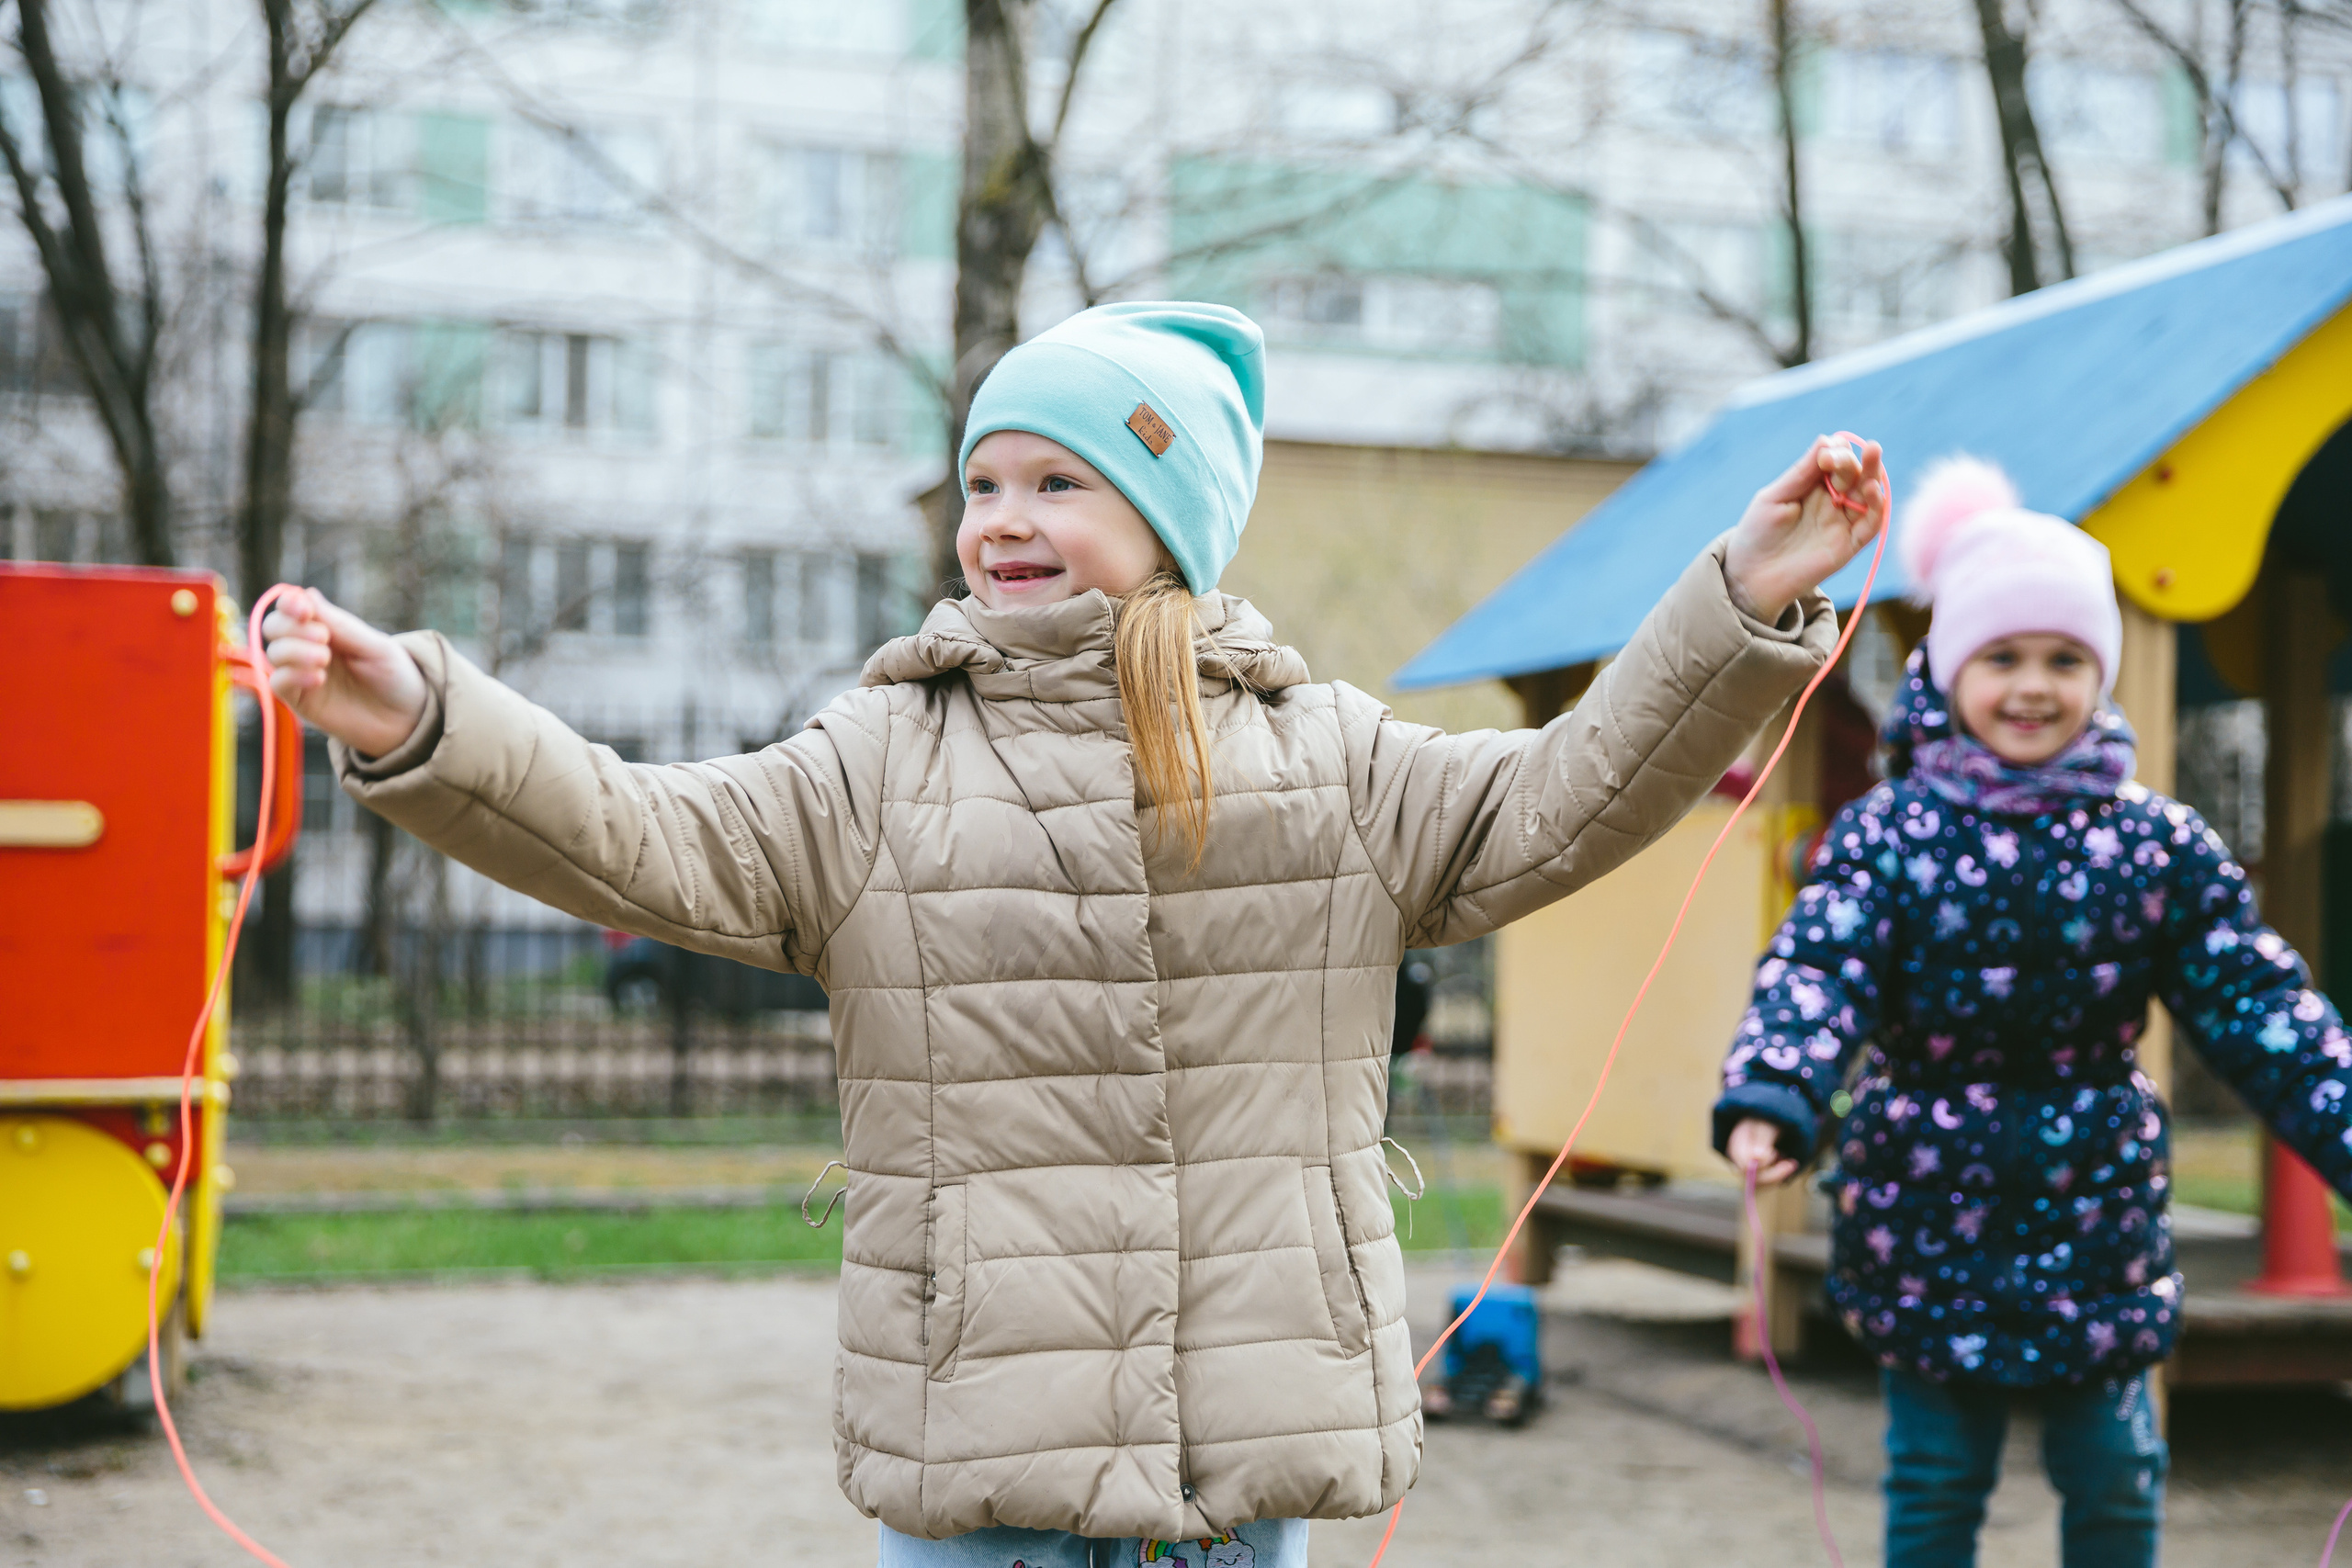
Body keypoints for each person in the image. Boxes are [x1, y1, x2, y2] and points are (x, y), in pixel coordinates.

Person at [265, 301, 1883, 1567]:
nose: (1002, 518)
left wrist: (1738, 594)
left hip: (1242, 1431)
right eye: (982, 481)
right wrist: (425, 719)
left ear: (1173, 522)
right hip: (982, 1429)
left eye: (1058, 480)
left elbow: (1565, 794)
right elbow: (644, 834)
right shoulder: (882, 757)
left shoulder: (1326, 755)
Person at [1715, 457, 2352, 1568]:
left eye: (2064, 659)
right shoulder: (1890, 833)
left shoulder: (2150, 844)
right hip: (1923, 1207)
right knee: (1935, 1483)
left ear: (2097, 676)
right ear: (1949, 668)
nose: (2031, 686)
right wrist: (1777, 1089)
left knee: (2112, 1479)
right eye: (2000, 656)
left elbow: (2256, 1001)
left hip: (2093, 1211)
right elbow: (1818, 966)